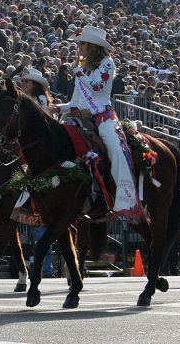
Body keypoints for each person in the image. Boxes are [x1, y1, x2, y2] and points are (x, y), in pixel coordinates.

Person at [52, 26, 144, 223]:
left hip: (102, 117)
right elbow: (74, 103)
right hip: (81, 118)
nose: (78, 47)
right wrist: (58, 108)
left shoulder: (107, 64)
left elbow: (96, 86)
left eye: (82, 43)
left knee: (116, 150)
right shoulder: (82, 71)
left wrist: (77, 71)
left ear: (92, 46)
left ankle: (125, 199)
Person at [15, 68, 54, 277]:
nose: (23, 85)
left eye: (26, 82)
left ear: (35, 85)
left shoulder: (39, 100)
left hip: (42, 146)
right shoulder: (22, 102)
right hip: (27, 148)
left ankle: (45, 268)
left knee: (41, 226)